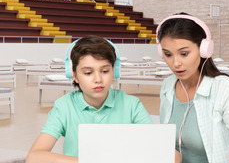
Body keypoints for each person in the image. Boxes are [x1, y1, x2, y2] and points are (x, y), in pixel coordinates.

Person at [26, 35, 153, 163]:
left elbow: (155, 148)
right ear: (74, 76)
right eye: (88, 73)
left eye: (104, 71)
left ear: (114, 72)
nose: (98, 79)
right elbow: (34, 157)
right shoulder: (64, 106)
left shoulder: (132, 105)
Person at [157, 13, 229, 163]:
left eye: (184, 53)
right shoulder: (168, 86)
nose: (176, 63)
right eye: (168, 54)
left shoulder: (226, 89)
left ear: (203, 50)